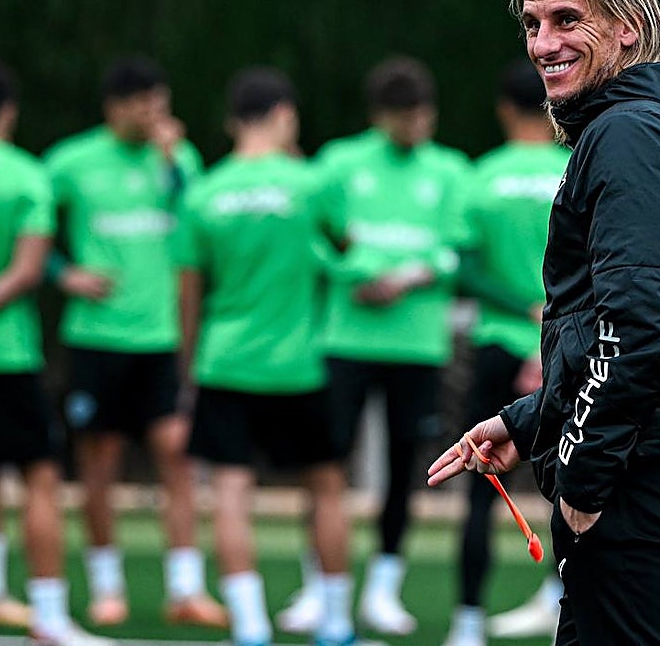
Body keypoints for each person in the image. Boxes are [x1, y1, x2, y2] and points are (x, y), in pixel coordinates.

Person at [428, 0, 660, 646]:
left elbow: (639, 324)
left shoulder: (629, 134)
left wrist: (584, 482)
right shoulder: (644, 127)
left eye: (568, 20)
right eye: (533, 24)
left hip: (643, 472)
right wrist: (528, 419)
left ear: (627, 27)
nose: (544, 43)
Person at [276, 56, 471, 637]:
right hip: (346, 341)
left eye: (422, 115)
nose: (416, 126)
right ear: (379, 116)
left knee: (404, 465)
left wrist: (408, 277)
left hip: (416, 346)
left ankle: (385, 587)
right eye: (404, 117)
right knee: (325, 465)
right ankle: (318, 583)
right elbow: (309, 234)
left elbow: (458, 249)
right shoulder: (340, 162)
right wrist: (348, 274)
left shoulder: (451, 170)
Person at [176, 67, 355, 646]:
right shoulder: (310, 183)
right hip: (299, 362)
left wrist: (187, 370)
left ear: (232, 122)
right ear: (285, 116)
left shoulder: (203, 192)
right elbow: (345, 246)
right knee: (325, 489)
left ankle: (250, 628)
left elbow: (189, 292)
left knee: (231, 492)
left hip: (225, 360)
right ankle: (334, 624)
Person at [42, 56, 224, 628]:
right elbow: (28, 227)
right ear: (115, 107)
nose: (153, 114)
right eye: (142, 104)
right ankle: (106, 585)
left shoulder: (180, 160)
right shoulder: (71, 161)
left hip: (160, 339)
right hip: (97, 338)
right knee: (100, 461)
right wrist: (61, 272)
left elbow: (200, 220)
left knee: (175, 452)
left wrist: (174, 164)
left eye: (159, 102)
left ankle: (186, 588)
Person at [441, 61, 568, 646]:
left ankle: (467, 623)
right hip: (564, 350)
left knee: (480, 487)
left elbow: (463, 266)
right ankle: (561, 602)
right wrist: (547, 308)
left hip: (498, 344)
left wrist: (519, 304)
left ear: (502, 110)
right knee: (573, 484)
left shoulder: (480, 176)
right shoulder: (576, 167)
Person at [0, 63, 116, 646]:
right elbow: (28, 269)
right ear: (8, 111)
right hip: (6, 355)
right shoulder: (22, 176)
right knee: (39, 476)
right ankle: (49, 614)